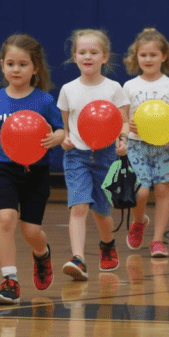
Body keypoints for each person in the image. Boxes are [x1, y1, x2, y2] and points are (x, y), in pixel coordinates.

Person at [0, 34, 66, 305]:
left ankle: (42, 253)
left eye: (23, 64)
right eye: (11, 63)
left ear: (35, 68)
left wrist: (57, 137)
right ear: (2, 65)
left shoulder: (44, 101)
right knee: (6, 219)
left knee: (30, 231)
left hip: (36, 173)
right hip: (3, 170)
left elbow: (60, 130)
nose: (16, 69)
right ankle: (10, 280)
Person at [57, 29, 129, 280]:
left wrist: (122, 141)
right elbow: (63, 126)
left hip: (106, 155)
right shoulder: (67, 89)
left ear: (105, 56)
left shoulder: (114, 88)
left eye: (93, 52)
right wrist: (64, 138)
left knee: (101, 209)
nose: (87, 56)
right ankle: (78, 258)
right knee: (79, 205)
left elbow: (124, 123)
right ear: (74, 56)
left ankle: (107, 244)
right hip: (77, 156)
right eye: (82, 52)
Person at [121, 28, 169, 258]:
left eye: (153, 55)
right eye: (143, 55)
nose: (148, 59)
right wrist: (127, 125)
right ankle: (139, 222)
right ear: (136, 57)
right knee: (140, 192)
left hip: (164, 147)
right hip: (136, 145)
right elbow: (121, 117)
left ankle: (158, 240)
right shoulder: (129, 86)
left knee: (162, 191)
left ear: (163, 56)